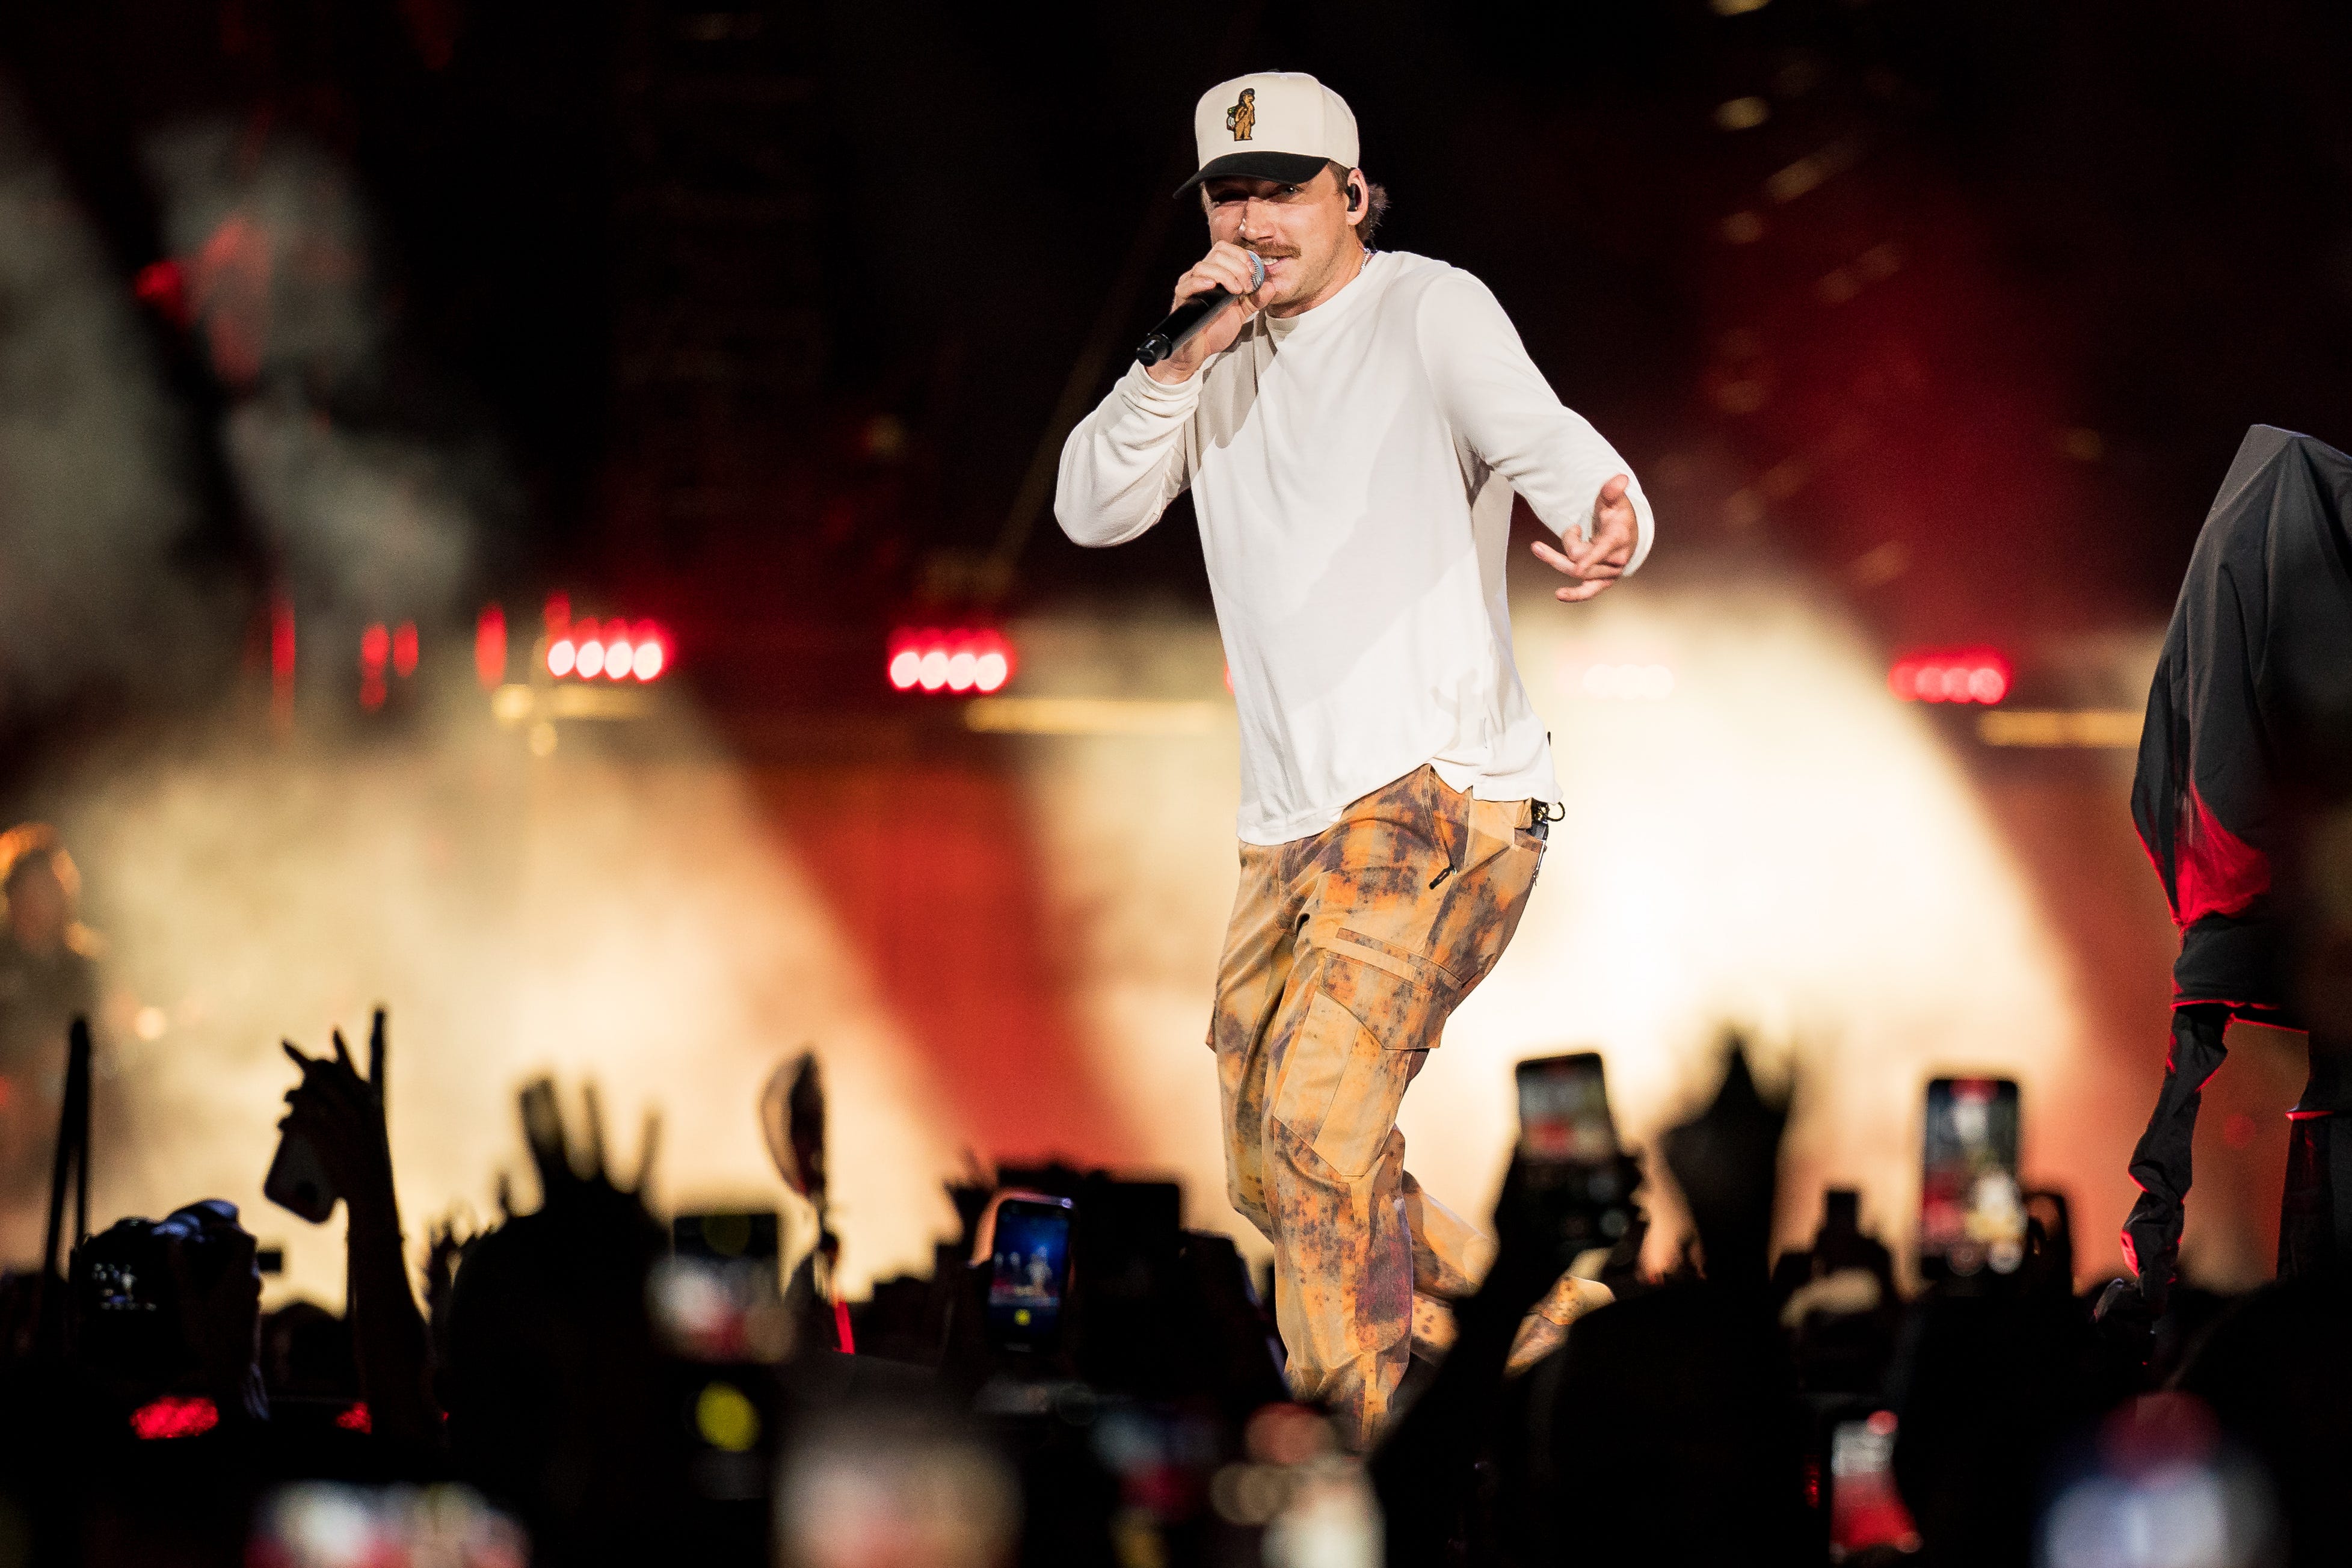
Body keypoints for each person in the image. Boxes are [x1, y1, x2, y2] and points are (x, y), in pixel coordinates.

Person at [1054, 70, 1656, 1444]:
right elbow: (1088, 508)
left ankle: (1360, 1482)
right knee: (1277, 1176)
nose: (1255, 216)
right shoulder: (1200, 360)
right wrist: (1184, 353)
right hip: (1288, 829)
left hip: (1439, 793)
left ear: (1351, 192)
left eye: (1283, 188)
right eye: (1230, 192)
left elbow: (1547, 440)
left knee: (1318, 1147)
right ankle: (1572, 1335)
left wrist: (1604, 512)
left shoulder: (1428, 308)